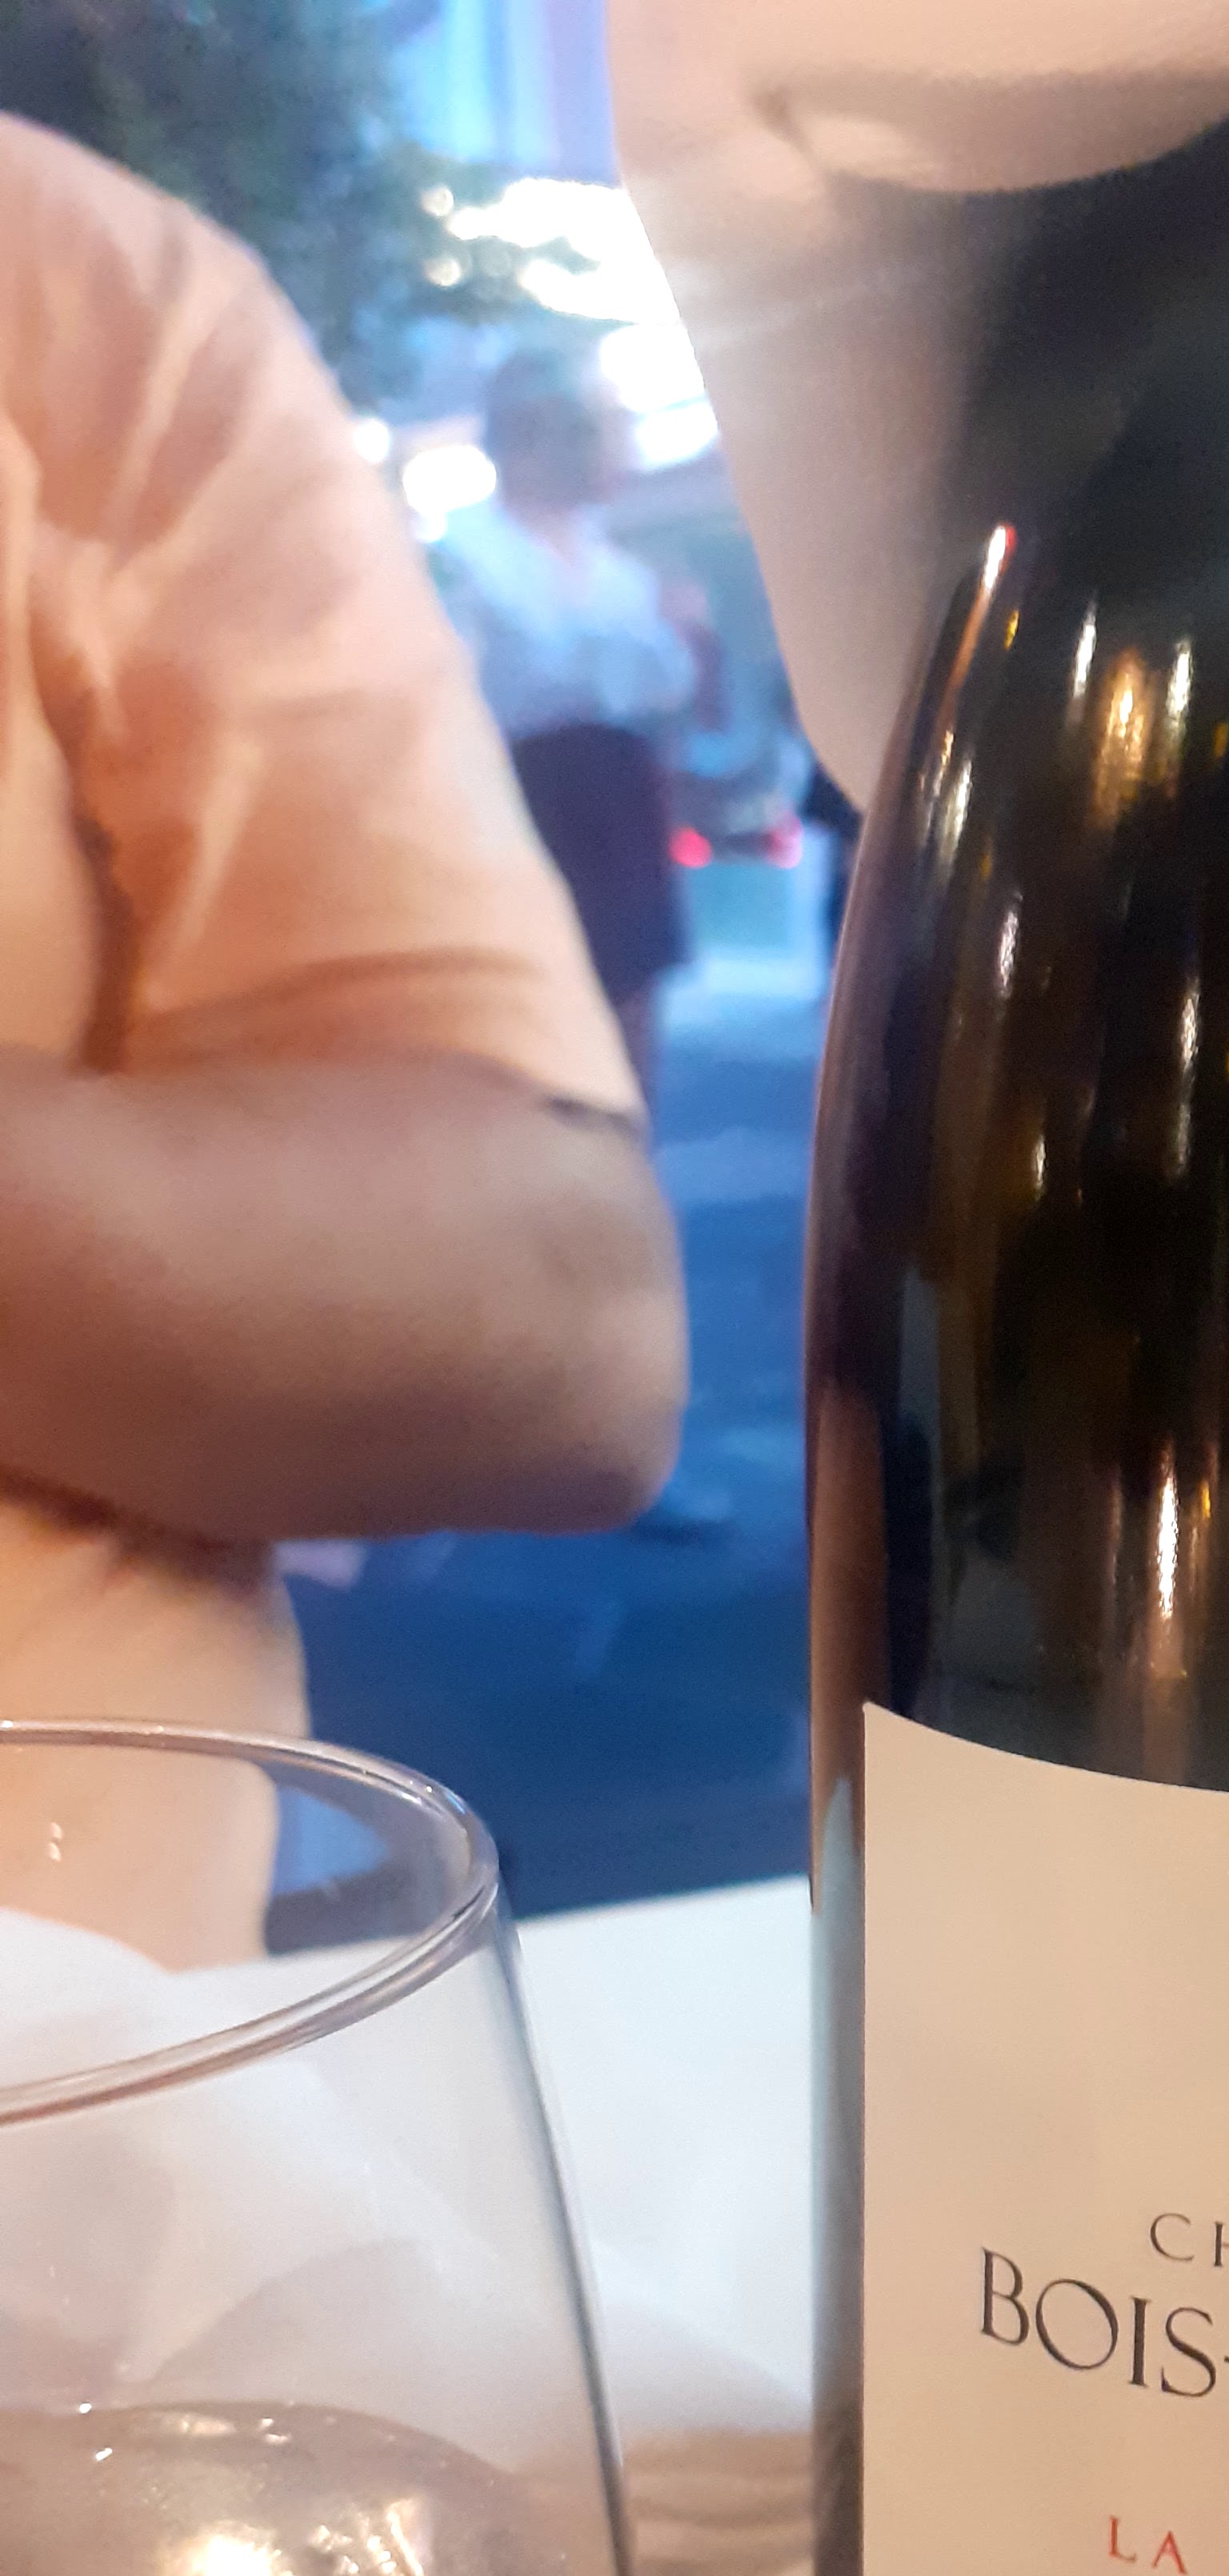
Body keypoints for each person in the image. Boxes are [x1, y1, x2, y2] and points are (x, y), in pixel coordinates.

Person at [0, 114, 685, 1769]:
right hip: (556, 790)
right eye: (582, 425)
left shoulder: (87, 296)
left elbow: (568, 1317)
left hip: (603, 797)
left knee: (610, 1061)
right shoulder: (493, 552)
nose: (599, 449)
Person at [436, 354, 703, 1103]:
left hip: (620, 797)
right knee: (540, 1016)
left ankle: (627, 1151)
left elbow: (669, 681)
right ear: (527, 439)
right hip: (525, 798)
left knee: (634, 1000)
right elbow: (479, 685)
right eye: (587, 429)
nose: (605, 448)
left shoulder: (614, 562)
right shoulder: (466, 554)